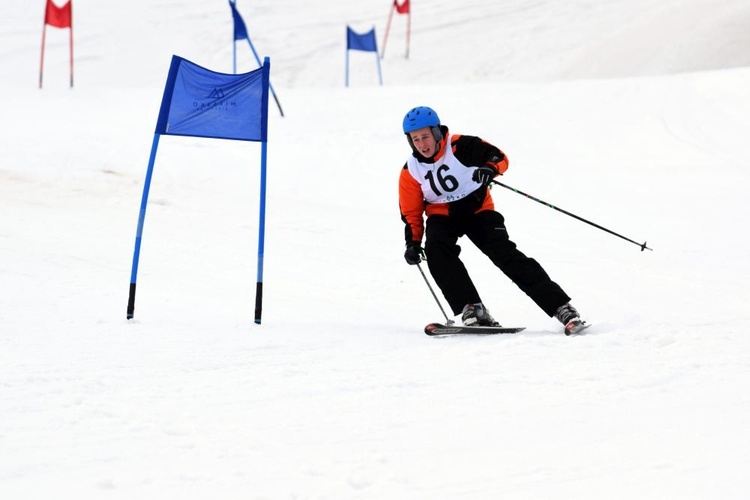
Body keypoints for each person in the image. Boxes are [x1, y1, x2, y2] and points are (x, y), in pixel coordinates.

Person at [398, 106, 587, 335]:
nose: (421, 144)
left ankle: (561, 308)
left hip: (477, 210)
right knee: (436, 250)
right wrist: (413, 242)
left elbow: (498, 157)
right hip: (442, 217)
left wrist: (489, 169)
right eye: (415, 139)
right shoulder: (411, 170)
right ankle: (473, 309)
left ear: (437, 133)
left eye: (425, 137)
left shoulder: (460, 146)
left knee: (504, 254)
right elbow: (411, 213)